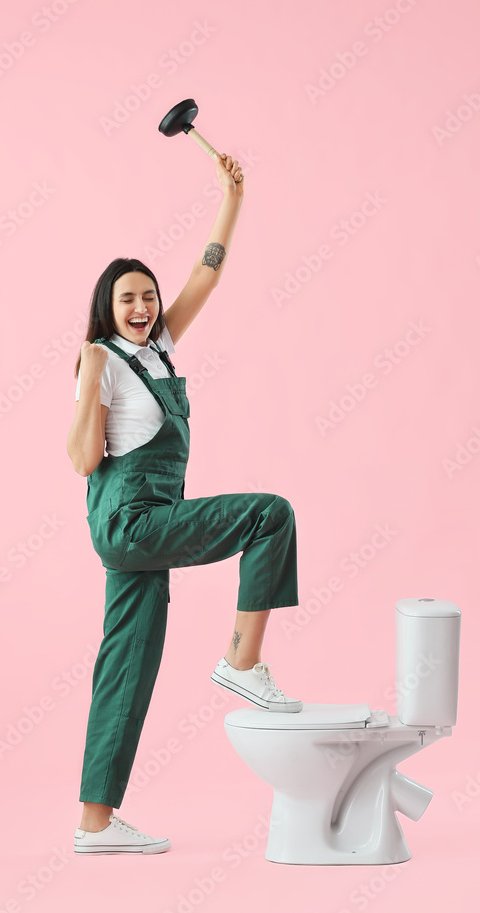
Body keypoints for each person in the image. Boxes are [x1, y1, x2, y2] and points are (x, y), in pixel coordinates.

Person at [67, 153, 302, 856]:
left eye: (147, 297)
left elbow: (209, 271)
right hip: (130, 519)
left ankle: (95, 823)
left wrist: (231, 194)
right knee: (269, 513)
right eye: (126, 300)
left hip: (144, 526)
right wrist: (88, 376)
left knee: (126, 669)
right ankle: (241, 660)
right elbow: (82, 460)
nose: (140, 308)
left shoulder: (158, 348)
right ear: (107, 310)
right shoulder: (104, 359)